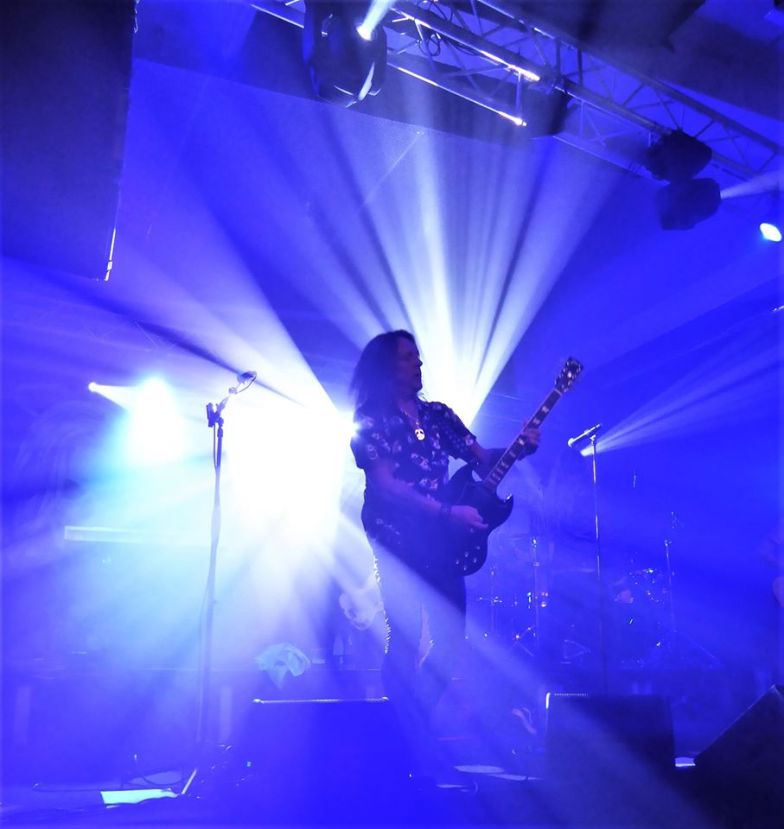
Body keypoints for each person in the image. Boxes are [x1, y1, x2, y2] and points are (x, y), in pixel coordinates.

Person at [349, 330, 539, 759]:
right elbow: (386, 486)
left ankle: (412, 726)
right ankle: (397, 741)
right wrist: (446, 511)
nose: (418, 364)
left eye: (418, 356)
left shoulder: (437, 415)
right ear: (386, 368)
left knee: (450, 640)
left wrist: (520, 449)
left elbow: (483, 460)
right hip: (396, 536)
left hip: (439, 537)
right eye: (407, 358)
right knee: (406, 639)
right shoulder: (371, 420)